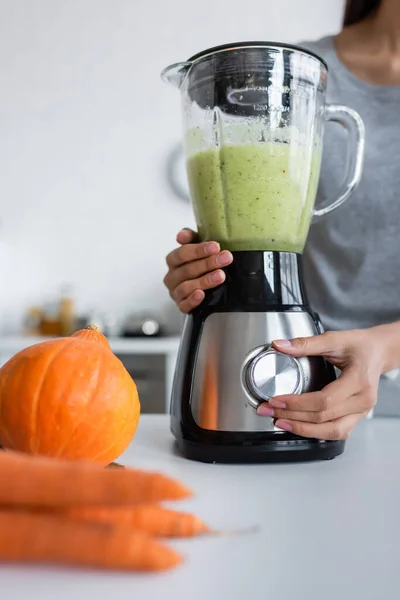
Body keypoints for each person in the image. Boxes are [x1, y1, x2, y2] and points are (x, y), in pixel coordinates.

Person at [163, 0, 400, 440]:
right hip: (303, 374)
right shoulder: (291, 72)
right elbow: (243, 209)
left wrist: (386, 347)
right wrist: (206, 270)